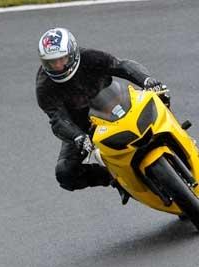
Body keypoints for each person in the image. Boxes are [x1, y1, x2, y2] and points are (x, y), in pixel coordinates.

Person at [36, 28, 170, 192]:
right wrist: (77, 136)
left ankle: (178, 135)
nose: (57, 66)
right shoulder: (44, 86)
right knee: (65, 173)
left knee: (161, 96)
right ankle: (115, 178)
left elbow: (121, 65)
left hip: (117, 102)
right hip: (84, 127)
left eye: (61, 59)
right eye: (51, 62)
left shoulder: (89, 57)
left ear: (71, 54)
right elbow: (57, 119)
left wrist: (147, 80)